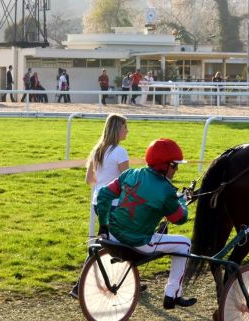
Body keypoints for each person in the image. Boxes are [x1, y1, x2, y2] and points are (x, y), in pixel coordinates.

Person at [96, 138, 197, 310]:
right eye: (174, 165)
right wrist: (182, 200)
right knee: (185, 244)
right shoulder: (167, 190)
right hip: (140, 242)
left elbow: (104, 195)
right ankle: (173, 294)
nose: (176, 169)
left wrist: (103, 225)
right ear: (164, 165)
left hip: (112, 234)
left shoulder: (130, 174)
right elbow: (179, 219)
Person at [69, 114, 130, 299]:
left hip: (98, 202)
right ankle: (80, 286)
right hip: (114, 204)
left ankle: (127, 280)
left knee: (113, 242)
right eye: (125, 127)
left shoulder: (97, 150)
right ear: (117, 129)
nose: (127, 130)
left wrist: (103, 182)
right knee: (116, 243)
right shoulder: (120, 152)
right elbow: (127, 182)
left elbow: (89, 180)